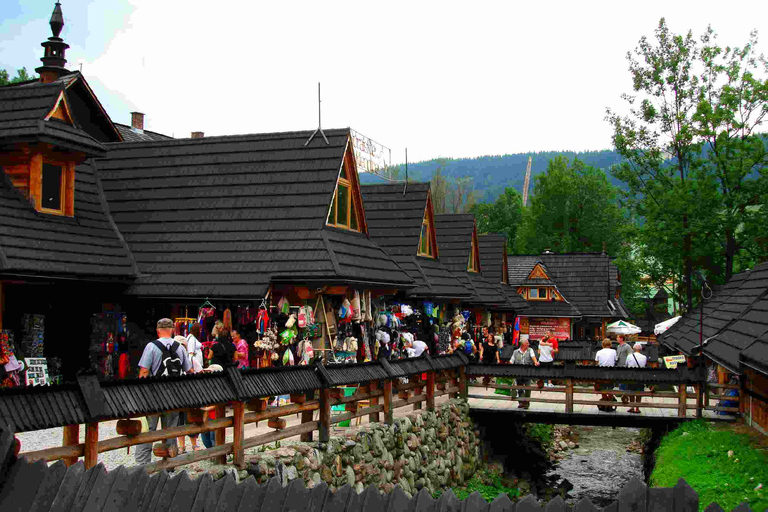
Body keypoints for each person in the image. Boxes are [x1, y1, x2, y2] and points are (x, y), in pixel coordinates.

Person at [135, 318, 194, 465]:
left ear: (158, 330)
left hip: (153, 397)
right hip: (174, 397)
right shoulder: (180, 347)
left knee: (148, 431)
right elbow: (190, 370)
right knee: (170, 431)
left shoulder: (151, 346)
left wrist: (141, 393)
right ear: (173, 330)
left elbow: (144, 371)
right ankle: (169, 466)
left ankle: (144, 466)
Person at [512, 338, 539, 409]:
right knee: (520, 388)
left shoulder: (530, 350)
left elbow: (533, 357)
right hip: (519, 373)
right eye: (527, 343)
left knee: (528, 388)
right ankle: (521, 402)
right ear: (523, 344)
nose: (528, 344)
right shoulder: (515, 352)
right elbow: (511, 361)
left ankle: (526, 403)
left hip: (527, 372)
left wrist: (535, 362)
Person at [594, 338, 618, 411]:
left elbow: (596, 363)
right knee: (610, 389)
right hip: (611, 373)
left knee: (603, 389)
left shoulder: (599, 352)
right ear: (610, 344)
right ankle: (610, 406)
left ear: (603, 344)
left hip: (602, 373)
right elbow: (616, 360)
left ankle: (604, 405)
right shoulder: (614, 351)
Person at [625, 342, 647, 413]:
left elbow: (626, 365)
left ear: (633, 349)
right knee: (639, 393)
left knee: (631, 393)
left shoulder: (629, 356)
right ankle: (637, 408)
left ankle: (631, 407)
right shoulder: (644, 357)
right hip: (640, 377)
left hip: (631, 376)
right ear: (641, 349)